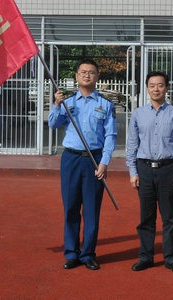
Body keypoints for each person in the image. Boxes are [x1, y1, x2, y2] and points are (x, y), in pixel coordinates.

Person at [48, 58, 117, 270]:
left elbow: (111, 136)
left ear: (97, 77)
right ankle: (71, 253)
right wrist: (57, 105)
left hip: (94, 160)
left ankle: (88, 254)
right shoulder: (67, 103)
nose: (87, 75)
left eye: (91, 72)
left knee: (91, 210)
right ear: (77, 77)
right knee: (70, 208)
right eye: (83, 72)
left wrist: (104, 163)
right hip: (71, 159)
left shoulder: (105, 104)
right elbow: (53, 124)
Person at [126, 71, 173, 274]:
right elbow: (132, 145)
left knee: (169, 217)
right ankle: (145, 257)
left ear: (167, 88)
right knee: (147, 217)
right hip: (144, 169)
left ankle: (171, 258)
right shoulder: (137, 114)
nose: (156, 89)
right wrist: (132, 171)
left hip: (169, 170)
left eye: (160, 85)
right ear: (146, 88)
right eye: (152, 85)